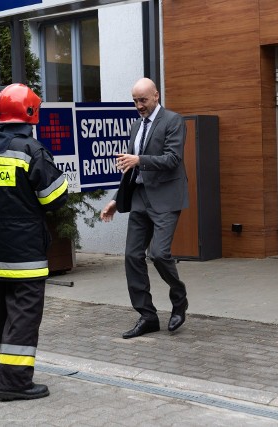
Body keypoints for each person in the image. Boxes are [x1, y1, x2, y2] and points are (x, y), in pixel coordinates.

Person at [0, 83, 69, 400]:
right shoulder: (30, 151)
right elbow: (54, 197)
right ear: (29, 113)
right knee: (23, 315)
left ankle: (0, 372)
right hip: (25, 253)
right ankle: (14, 383)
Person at [100, 77, 189, 339]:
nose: (139, 105)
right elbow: (130, 169)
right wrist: (116, 200)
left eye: (143, 100)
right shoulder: (136, 126)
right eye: (135, 101)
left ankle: (179, 299)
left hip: (166, 198)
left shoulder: (173, 121)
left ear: (156, 96)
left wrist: (139, 159)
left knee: (160, 254)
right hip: (139, 198)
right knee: (131, 256)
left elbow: (173, 159)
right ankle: (147, 315)